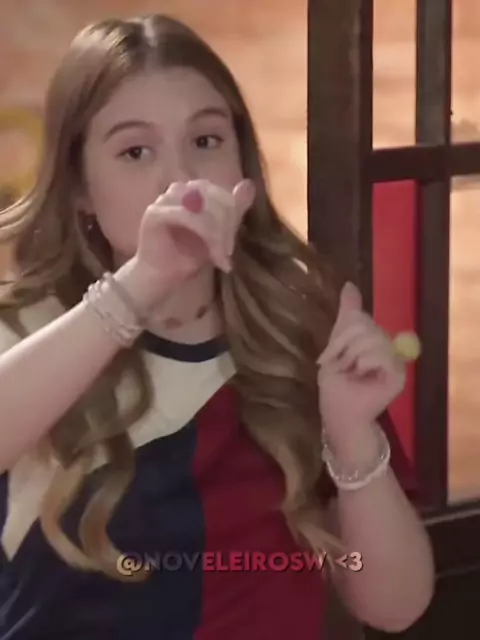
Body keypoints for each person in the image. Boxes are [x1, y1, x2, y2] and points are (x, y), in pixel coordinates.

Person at [0, 13, 434, 639]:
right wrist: (143, 283)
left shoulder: (298, 329)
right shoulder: (31, 326)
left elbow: (395, 606)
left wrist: (351, 435)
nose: (180, 180)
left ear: (242, 168)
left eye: (206, 141)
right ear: (80, 190)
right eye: (135, 152)